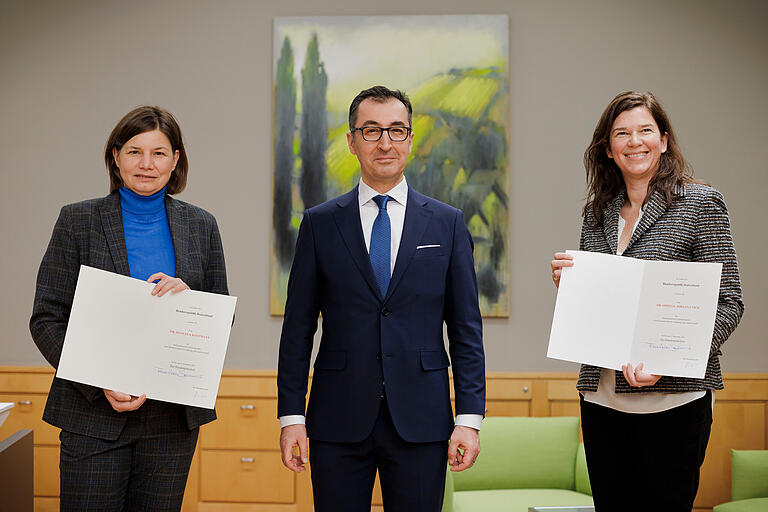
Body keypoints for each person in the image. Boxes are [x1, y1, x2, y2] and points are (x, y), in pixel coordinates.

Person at [277, 85, 486, 511]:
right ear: (352, 141)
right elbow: (297, 329)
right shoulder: (319, 224)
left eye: (396, 130)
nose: (385, 142)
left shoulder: (447, 224)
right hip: (336, 419)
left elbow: (466, 329)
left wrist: (469, 419)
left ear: (411, 140)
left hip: (423, 420)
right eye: (371, 131)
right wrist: (291, 416)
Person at [550, 91, 744, 511]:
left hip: (675, 402)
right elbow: (601, 307)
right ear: (608, 148)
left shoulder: (700, 203)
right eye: (622, 133)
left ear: (664, 140)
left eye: (644, 131)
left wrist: (668, 360)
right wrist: (571, 287)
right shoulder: (597, 212)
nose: (634, 141)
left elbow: (729, 302)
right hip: (602, 400)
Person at [30, 106, 229, 511]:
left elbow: (218, 315)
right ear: (115, 156)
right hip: (93, 414)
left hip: (171, 420)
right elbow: (47, 318)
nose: (146, 164)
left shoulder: (202, 225)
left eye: (159, 153)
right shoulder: (77, 220)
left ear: (176, 161)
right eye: (135, 151)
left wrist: (189, 298)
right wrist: (99, 380)